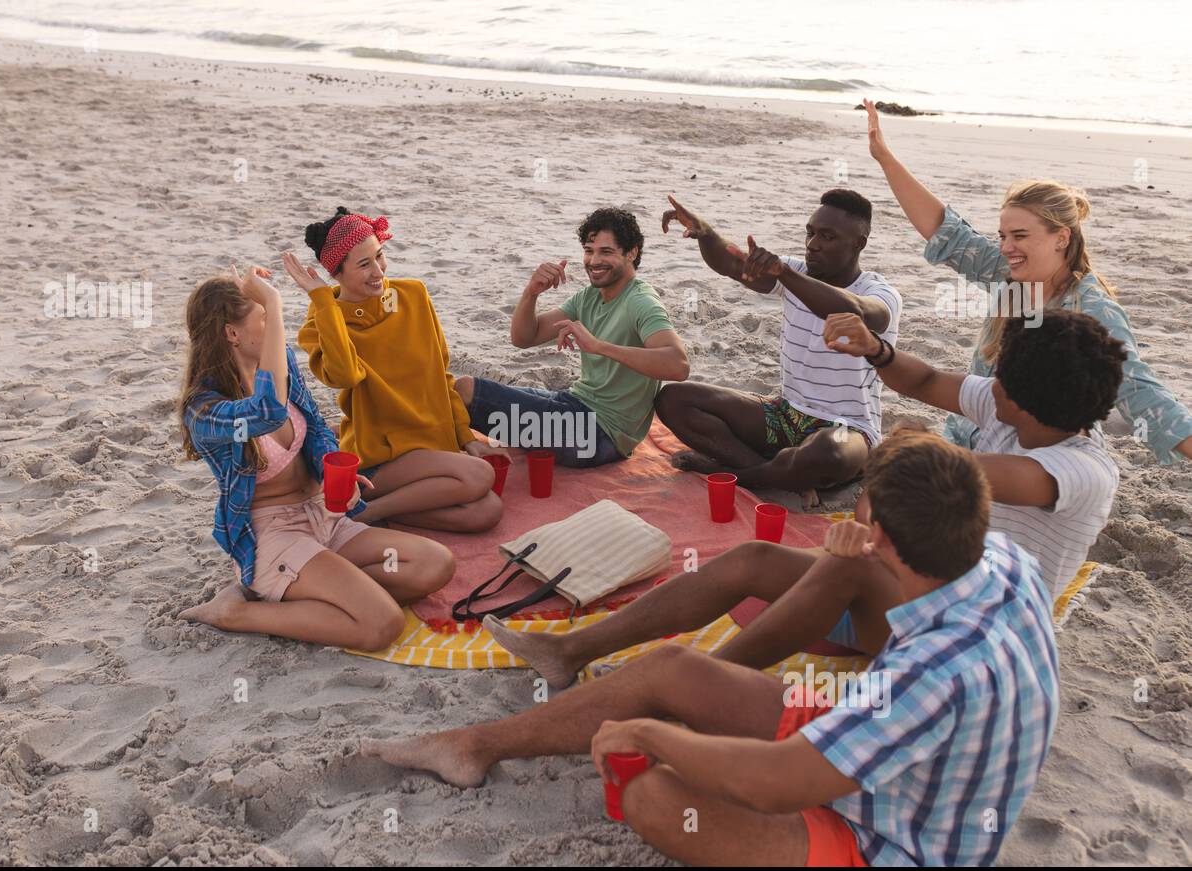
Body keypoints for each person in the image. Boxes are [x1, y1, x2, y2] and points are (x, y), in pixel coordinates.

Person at [364, 431, 1061, 866]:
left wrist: (650, 734)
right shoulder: (1004, 560)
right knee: (674, 668)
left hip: (887, 845)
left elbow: (775, 782)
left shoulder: (927, 671)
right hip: (890, 757)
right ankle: (475, 745)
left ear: (880, 540)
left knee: (653, 796)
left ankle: (640, 726)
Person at [486, 308, 1124, 689]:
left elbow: (954, 472)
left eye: (1001, 377)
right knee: (753, 561)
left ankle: (690, 684)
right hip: (919, 590)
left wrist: (903, 450)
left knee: (845, 567)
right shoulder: (1017, 413)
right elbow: (927, 379)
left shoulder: (1079, 471)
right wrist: (877, 350)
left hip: (971, 638)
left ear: (1026, 398)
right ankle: (571, 651)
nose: (990, 382)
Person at [861, 97, 1192, 464]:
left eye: (1019, 236)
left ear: (1061, 238)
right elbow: (946, 231)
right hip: (970, 438)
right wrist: (885, 159)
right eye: (1002, 236)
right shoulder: (1010, 274)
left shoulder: (1089, 308)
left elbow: (1140, 390)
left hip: (1037, 456)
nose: (1006, 247)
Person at [177, 266, 454, 650]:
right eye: (266, 318)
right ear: (232, 333)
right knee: (382, 624)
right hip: (276, 536)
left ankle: (325, 591)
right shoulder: (204, 411)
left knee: (435, 564)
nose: (276, 328)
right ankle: (234, 613)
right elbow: (268, 411)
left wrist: (331, 472)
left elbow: (317, 427)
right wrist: (273, 299)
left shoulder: (281, 365)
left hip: (325, 518)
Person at [655, 190, 901, 502]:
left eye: (827, 237)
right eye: (810, 233)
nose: (812, 244)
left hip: (847, 429)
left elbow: (856, 311)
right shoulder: (794, 272)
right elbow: (732, 264)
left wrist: (784, 274)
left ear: (859, 243)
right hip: (785, 415)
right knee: (674, 399)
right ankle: (779, 473)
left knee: (828, 453)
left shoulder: (879, 292)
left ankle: (736, 475)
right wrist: (705, 232)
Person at [287, 207, 501, 532]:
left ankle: (361, 511)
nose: (378, 271)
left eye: (379, 256)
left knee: (487, 511)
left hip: (431, 445)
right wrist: (324, 303)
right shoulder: (322, 322)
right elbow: (345, 375)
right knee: (480, 475)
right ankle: (363, 513)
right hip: (380, 457)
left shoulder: (413, 295)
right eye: (364, 264)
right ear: (336, 273)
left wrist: (463, 434)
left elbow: (441, 373)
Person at [452, 207, 689, 467]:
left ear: (631, 253)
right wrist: (531, 293)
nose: (594, 261)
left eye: (606, 252)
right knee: (455, 392)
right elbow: (524, 338)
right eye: (589, 250)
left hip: (597, 435)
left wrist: (599, 347)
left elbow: (678, 365)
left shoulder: (641, 301)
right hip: (575, 405)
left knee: (464, 391)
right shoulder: (589, 297)